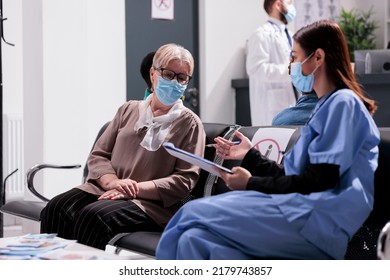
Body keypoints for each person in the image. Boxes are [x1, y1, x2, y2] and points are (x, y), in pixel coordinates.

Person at [156, 20, 380, 260]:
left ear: (318, 57)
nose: (290, 65)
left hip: (315, 222)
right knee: (195, 241)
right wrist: (250, 155)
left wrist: (250, 183)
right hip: (297, 211)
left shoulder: (343, 104)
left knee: (189, 214)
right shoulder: (324, 108)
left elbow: (319, 181)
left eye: (295, 57)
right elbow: (294, 177)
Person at [40, 43, 206, 250]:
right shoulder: (128, 109)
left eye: (182, 78)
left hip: (149, 204)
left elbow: (184, 180)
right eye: (169, 74)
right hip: (106, 188)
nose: (175, 82)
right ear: (153, 74)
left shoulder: (190, 123)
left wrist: (133, 189)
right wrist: (113, 183)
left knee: (94, 216)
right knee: (57, 208)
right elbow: (99, 154)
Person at [246, 0, 297, 125]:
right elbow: (255, 68)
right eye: (289, 3)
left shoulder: (290, 35)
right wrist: (292, 71)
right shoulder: (261, 34)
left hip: (290, 103)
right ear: (278, 4)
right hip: (271, 108)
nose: (292, 7)